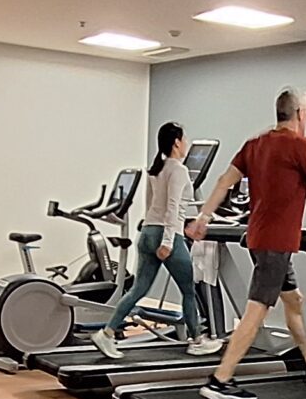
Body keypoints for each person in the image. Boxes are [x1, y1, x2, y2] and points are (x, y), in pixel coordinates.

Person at [184, 86, 306, 399]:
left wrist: (204, 216)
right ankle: (220, 379)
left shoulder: (255, 144)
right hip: (276, 243)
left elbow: (223, 180)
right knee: (256, 311)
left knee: (295, 301)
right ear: (301, 114)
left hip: (261, 238)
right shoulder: (300, 145)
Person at [92, 122, 220, 358]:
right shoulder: (178, 170)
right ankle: (197, 340)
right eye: (185, 139)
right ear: (177, 143)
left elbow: (153, 206)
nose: (187, 144)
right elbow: (172, 208)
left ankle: (107, 334)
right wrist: (168, 242)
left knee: (138, 289)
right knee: (189, 290)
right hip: (165, 235)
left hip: (148, 232)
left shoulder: (155, 169)